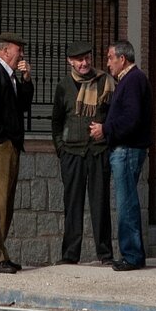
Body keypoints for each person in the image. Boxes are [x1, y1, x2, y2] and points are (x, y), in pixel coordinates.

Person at [90, 40, 152, 271]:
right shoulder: (129, 80)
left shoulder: (133, 80)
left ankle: (132, 255)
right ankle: (133, 253)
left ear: (122, 59)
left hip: (126, 150)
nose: (108, 63)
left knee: (126, 203)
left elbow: (131, 118)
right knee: (127, 202)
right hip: (126, 148)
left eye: (110, 58)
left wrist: (105, 129)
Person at [51, 41, 116, 266]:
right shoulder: (63, 86)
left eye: (87, 58)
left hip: (97, 152)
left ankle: (105, 255)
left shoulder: (105, 83)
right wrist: (60, 148)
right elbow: (57, 121)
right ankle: (70, 256)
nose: (84, 63)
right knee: (72, 205)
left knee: (100, 204)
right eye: (79, 59)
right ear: (70, 61)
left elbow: (113, 115)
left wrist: (105, 134)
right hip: (71, 153)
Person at [0, 32, 34, 274]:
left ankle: (1, 253)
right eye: (17, 49)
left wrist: (26, 79)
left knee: (7, 202)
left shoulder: (10, 76)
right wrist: (2, 138)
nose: (20, 54)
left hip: (9, 145)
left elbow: (22, 105)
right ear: (4, 51)